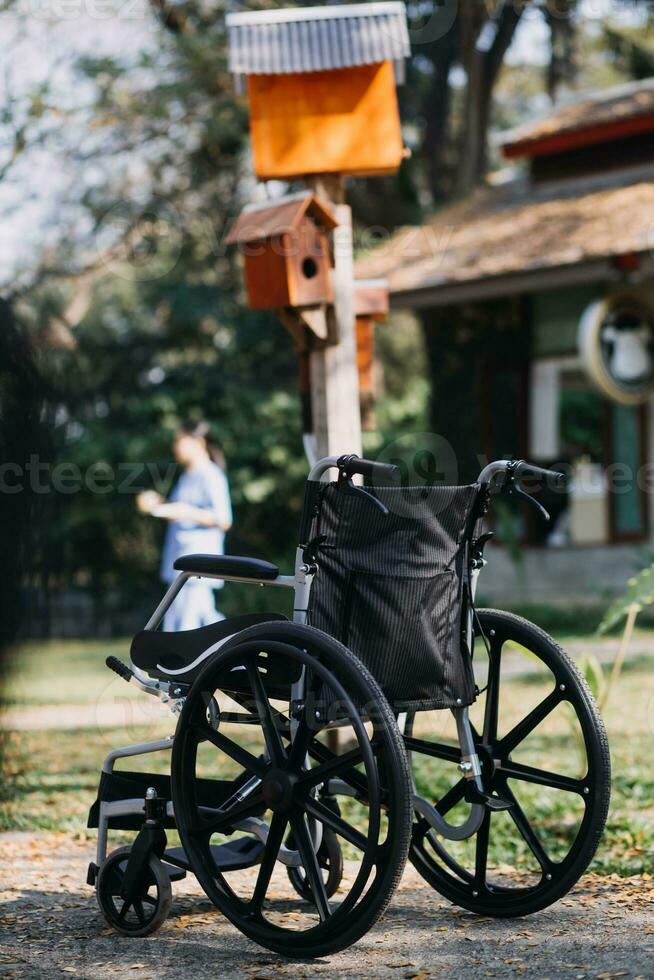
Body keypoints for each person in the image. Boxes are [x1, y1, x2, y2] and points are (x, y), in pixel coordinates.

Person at [137, 420, 232, 631]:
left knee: (185, 629)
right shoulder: (187, 477)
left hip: (198, 566)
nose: (175, 446)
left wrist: (184, 511)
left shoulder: (211, 475)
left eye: (179, 440)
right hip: (181, 565)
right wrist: (158, 504)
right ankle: (237, 653)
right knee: (202, 623)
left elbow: (224, 519)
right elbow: (180, 511)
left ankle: (240, 650)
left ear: (198, 442)